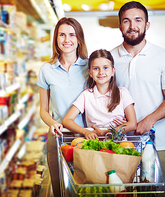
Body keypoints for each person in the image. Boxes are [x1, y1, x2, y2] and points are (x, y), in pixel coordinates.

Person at [111, 1, 165, 196]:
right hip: (118, 145)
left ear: (147, 25)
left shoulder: (164, 57)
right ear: (119, 25)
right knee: (119, 193)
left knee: (155, 193)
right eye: (126, 21)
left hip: (155, 144)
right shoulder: (109, 59)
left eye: (138, 20)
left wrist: (148, 120)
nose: (132, 26)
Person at [37, 17, 88, 197]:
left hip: (86, 137)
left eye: (72, 35)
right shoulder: (46, 70)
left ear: (79, 38)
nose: (67, 40)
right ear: (56, 39)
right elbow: (43, 109)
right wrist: (52, 123)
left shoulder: (90, 67)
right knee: (60, 189)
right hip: (58, 137)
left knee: (85, 189)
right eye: (62, 35)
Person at [62, 49, 137, 139]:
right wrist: (85, 131)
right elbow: (67, 120)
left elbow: (132, 124)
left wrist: (106, 132)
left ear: (113, 71)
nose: (101, 72)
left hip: (118, 145)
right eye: (96, 68)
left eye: (105, 68)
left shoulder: (123, 93)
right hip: (94, 146)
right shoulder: (86, 95)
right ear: (90, 73)